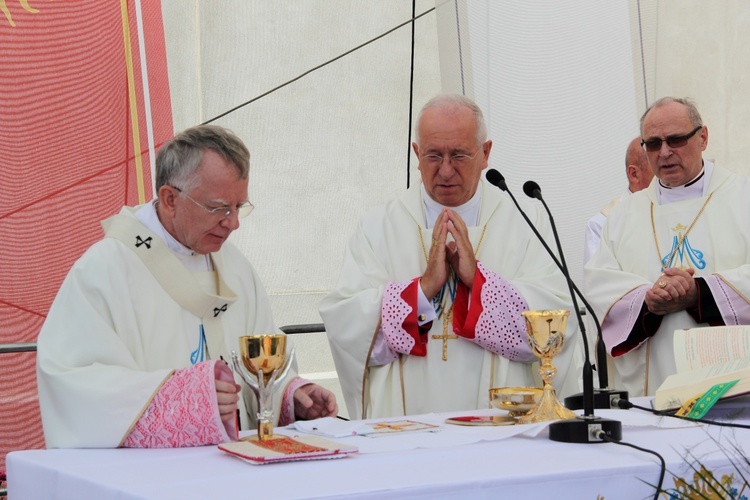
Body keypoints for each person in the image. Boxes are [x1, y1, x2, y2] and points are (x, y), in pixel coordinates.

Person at [36, 125, 337, 449]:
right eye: (218, 207)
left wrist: (291, 395)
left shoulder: (234, 266)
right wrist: (190, 400)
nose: (232, 223)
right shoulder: (106, 269)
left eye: (239, 207)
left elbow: (259, 354)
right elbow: (73, 382)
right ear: (169, 199)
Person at [319, 94, 577, 420]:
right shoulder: (377, 227)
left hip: (501, 431)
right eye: (432, 155)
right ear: (415, 153)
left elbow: (558, 325)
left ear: (485, 153)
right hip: (405, 430)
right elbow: (347, 326)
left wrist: (479, 282)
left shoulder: (526, 221)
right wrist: (421, 291)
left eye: (458, 155)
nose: (445, 170)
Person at [584, 97, 750, 397]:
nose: (664, 152)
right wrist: (648, 300)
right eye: (653, 144)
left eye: (675, 139)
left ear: (703, 138)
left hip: (734, 384)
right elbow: (599, 287)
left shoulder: (743, 198)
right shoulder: (623, 214)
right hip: (650, 388)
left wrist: (699, 293)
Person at [583, 137, 654, 264]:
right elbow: (599, 280)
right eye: (656, 167)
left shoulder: (670, 207)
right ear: (634, 174)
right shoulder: (602, 223)